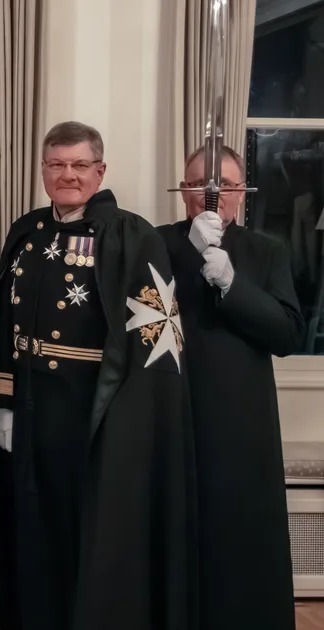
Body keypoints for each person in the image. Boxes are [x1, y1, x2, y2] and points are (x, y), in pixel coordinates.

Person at [0, 121, 195, 630]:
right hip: (31, 406)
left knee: (86, 533)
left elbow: (155, 342)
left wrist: (128, 423)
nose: (68, 176)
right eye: (57, 165)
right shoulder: (27, 230)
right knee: (33, 530)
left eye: (80, 165)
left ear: (100, 171)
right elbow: (1, 322)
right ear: (42, 171)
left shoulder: (130, 235)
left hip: (91, 411)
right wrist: (4, 399)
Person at [158, 145, 302, 630]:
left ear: (242, 192)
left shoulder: (266, 250)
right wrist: (189, 254)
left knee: (240, 542)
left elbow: (286, 334)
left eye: (224, 186)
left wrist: (229, 280)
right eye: (200, 184)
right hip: (170, 414)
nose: (212, 195)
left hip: (243, 423)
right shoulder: (155, 245)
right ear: (183, 190)